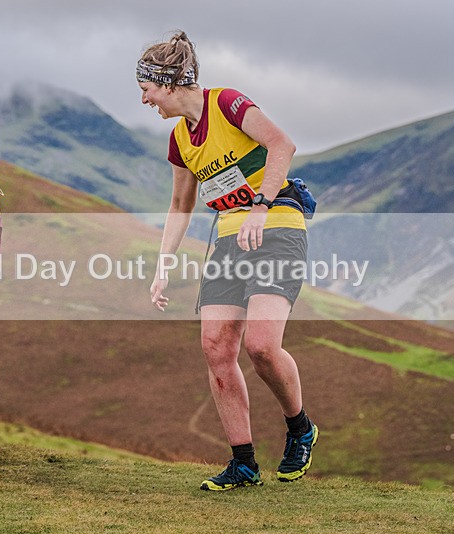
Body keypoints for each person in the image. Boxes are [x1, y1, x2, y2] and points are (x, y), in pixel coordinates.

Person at [138, 32, 318, 490]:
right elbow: (181, 205)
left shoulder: (229, 104)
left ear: (170, 83)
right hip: (228, 241)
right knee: (216, 347)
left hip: (277, 226)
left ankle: (300, 428)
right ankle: (243, 463)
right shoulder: (180, 139)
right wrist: (163, 265)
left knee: (260, 345)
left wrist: (259, 206)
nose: (144, 98)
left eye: (148, 88)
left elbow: (283, 145)